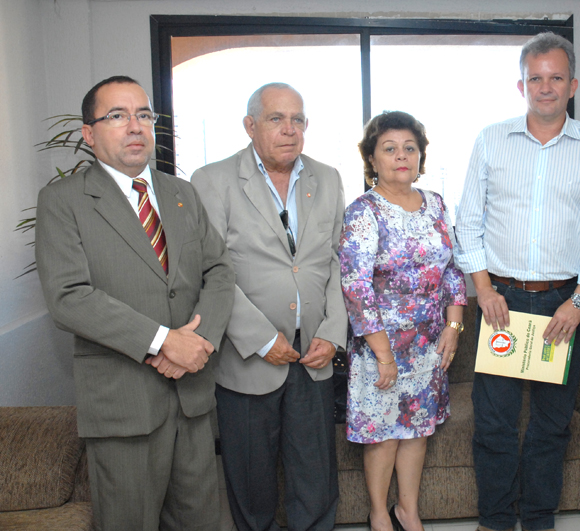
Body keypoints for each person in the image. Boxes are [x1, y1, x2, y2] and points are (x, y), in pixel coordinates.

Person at [35, 75, 235, 530]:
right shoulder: (63, 201)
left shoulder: (182, 193)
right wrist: (164, 342)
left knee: (201, 521)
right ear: (89, 134)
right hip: (123, 405)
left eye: (144, 114)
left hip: (192, 398)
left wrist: (199, 340)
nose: (135, 126)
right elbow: (68, 296)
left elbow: (220, 271)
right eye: (117, 116)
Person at [454, 32, 580, 531]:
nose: (545, 87)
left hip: (562, 306)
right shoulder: (491, 140)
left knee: (551, 422)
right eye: (535, 79)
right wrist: (484, 291)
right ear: (521, 85)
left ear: (573, 85)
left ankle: (539, 517)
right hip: (500, 302)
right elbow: (468, 223)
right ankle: (495, 519)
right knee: (495, 422)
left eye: (556, 78)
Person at [190, 82, 347, 531]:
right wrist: (260, 339)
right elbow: (210, 269)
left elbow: (338, 262)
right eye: (276, 119)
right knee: (251, 480)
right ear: (250, 125)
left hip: (314, 353)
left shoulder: (328, 178)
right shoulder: (212, 180)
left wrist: (332, 333)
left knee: (315, 478)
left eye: (297, 119)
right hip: (247, 357)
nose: (289, 129)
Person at [339, 111, 467, 531]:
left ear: (420, 157)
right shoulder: (364, 211)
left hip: (429, 343)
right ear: (372, 158)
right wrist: (384, 356)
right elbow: (356, 288)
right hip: (381, 345)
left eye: (409, 148)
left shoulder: (436, 204)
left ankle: (407, 511)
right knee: (384, 434)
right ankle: (379, 513)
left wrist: (453, 326)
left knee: (417, 429)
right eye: (390, 148)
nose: (401, 156)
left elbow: (451, 270)